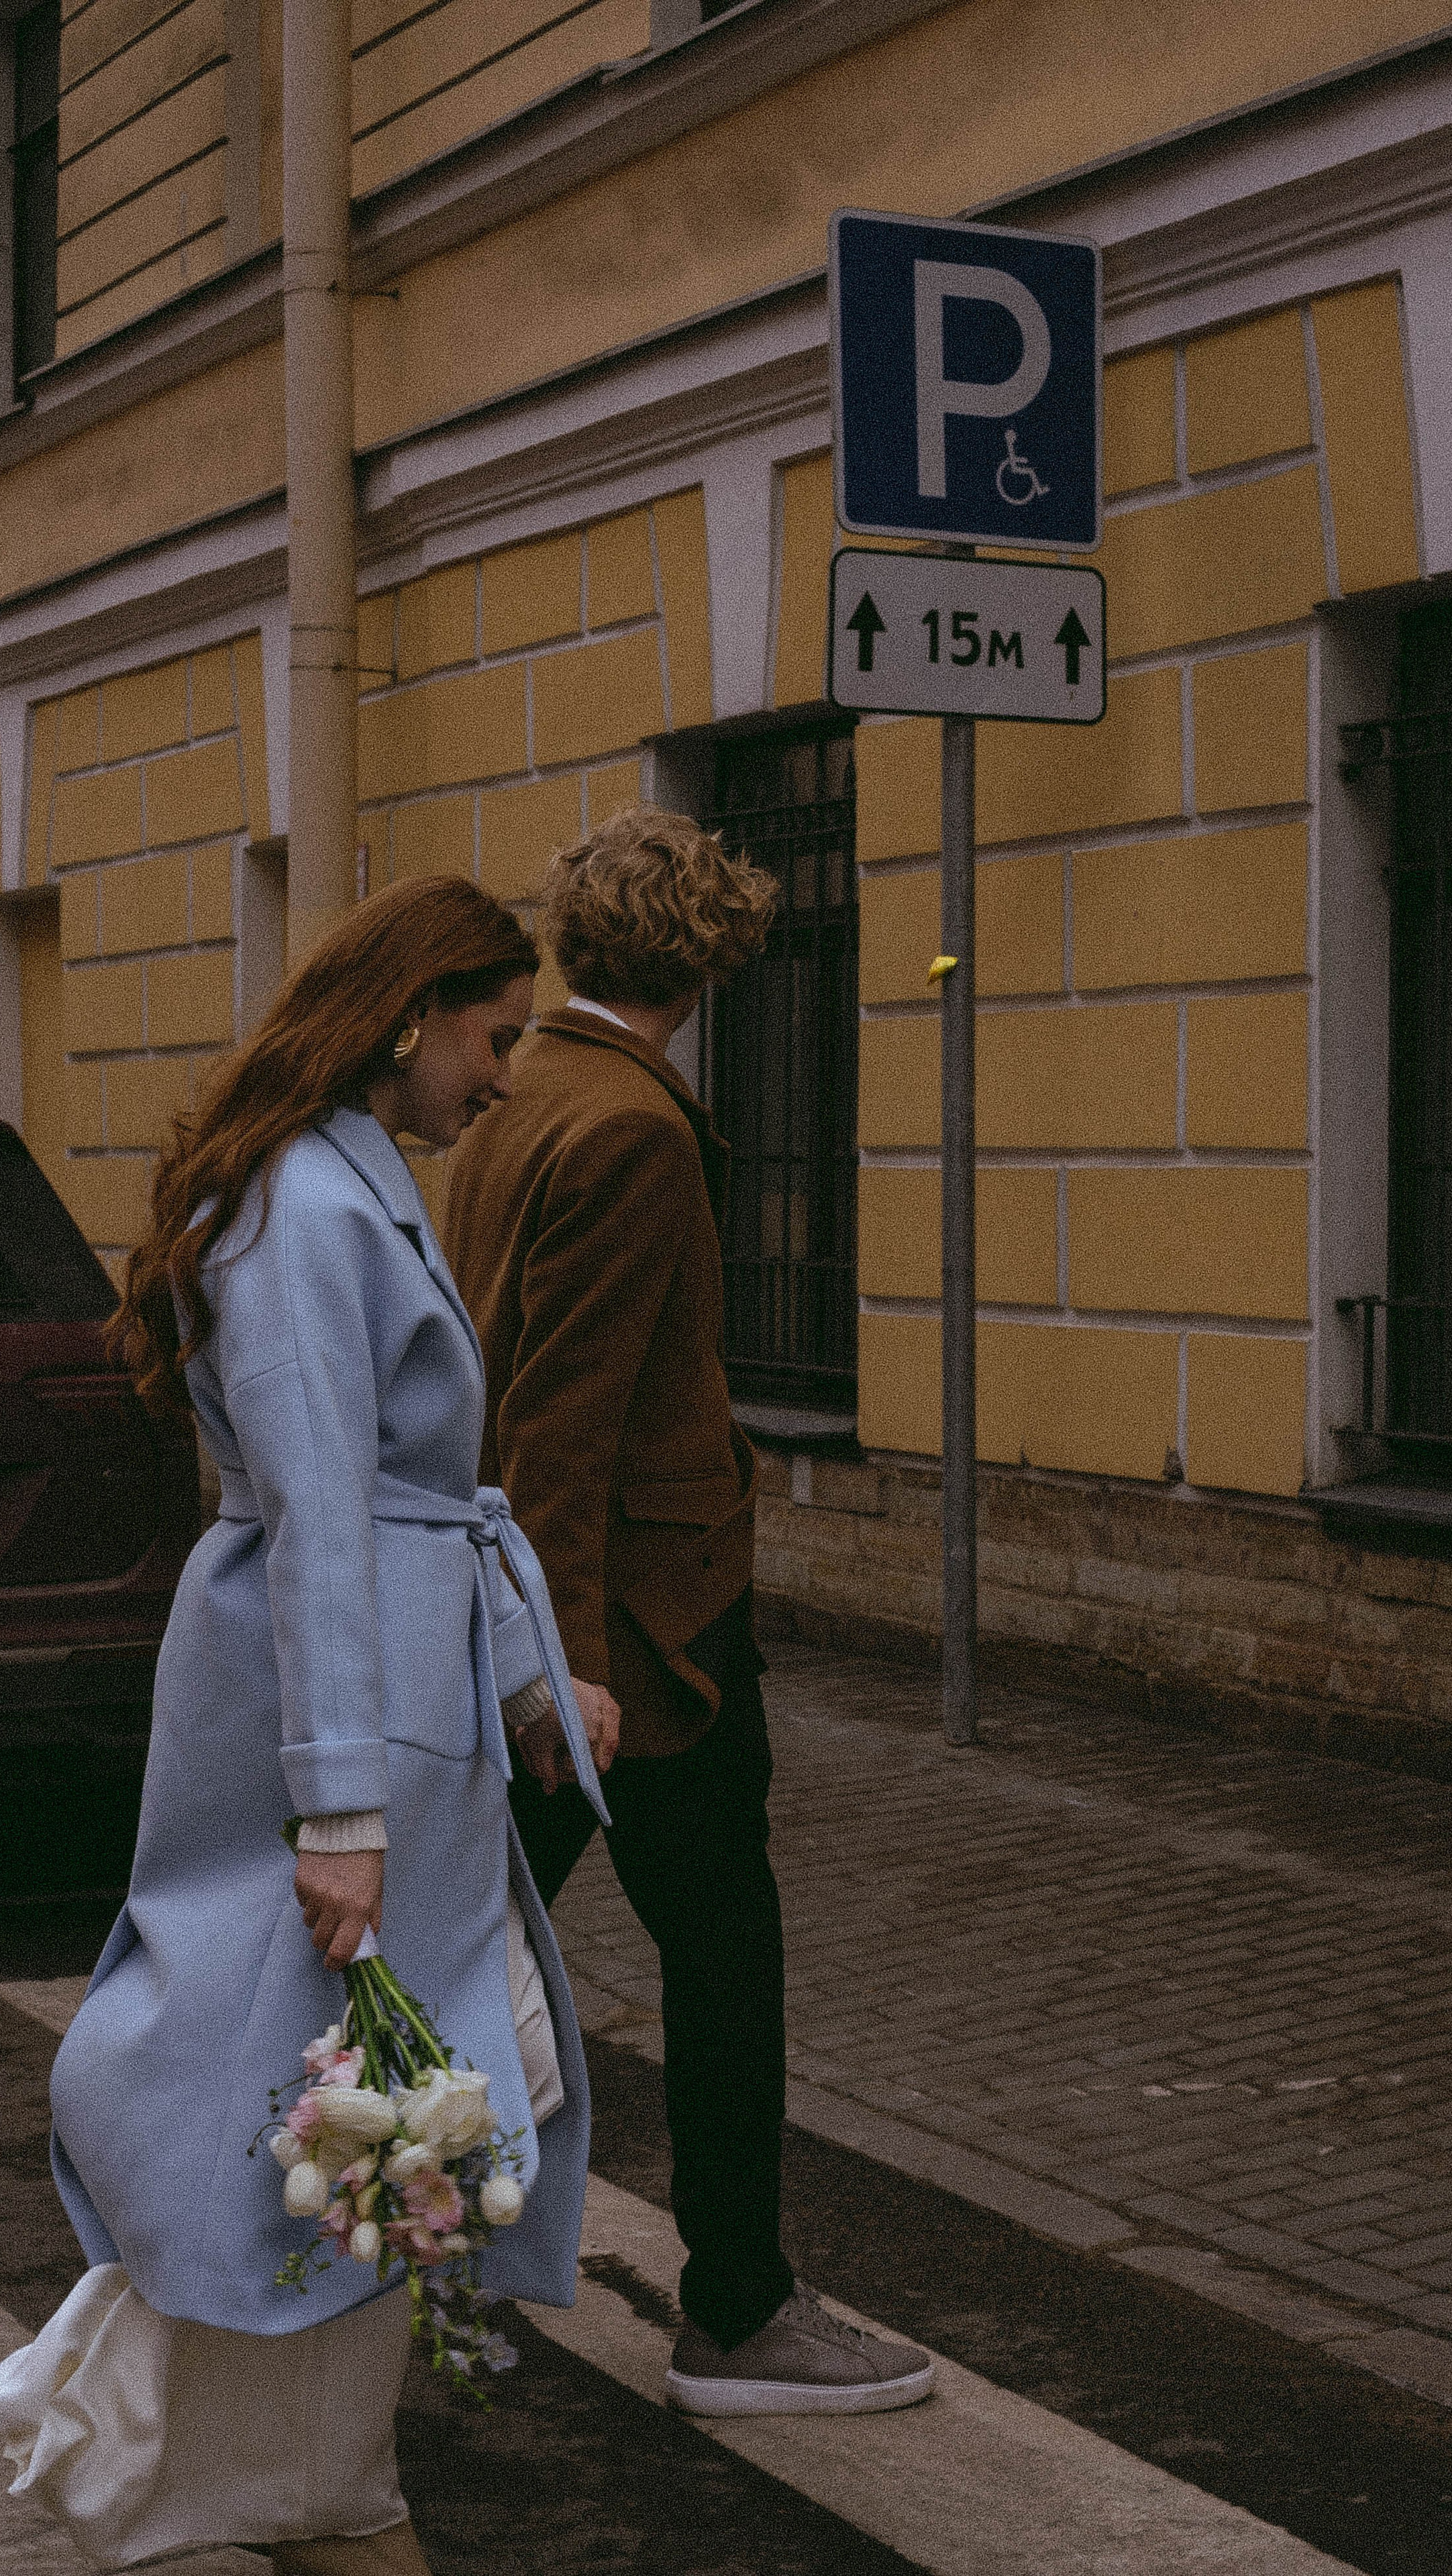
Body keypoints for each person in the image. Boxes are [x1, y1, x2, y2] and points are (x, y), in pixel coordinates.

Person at [0, 877, 618, 2573]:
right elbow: (325, 1513)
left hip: (389, 1694)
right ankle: (183, 2403)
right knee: (315, 2068)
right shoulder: (301, 1208)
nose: (501, 1080)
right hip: (342, 1706)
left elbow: (417, 1501)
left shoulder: (338, 1183)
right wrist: (339, 1807)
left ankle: (260, 2417)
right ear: (411, 1016)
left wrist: (521, 1676)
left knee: (387, 2075)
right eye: (492, 1040)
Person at [444, 806, 933, 2416]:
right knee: (722, 1957)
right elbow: (563, 1421)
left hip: (548, 1608)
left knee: (466, 1946)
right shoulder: (632, 1128)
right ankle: (735, 2312)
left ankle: (343, 2262)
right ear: (712, 955)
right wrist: (563, 1671)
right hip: (645, 1643)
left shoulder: (519, 1095)